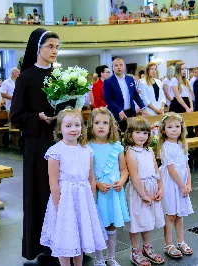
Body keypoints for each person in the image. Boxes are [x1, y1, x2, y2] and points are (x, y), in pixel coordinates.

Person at [10, 28, 59, 262]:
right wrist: (38, 117)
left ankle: (63, 241)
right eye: (50, 46)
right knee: (41, 193)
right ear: (38, 48)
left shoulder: (60, 76)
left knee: (61, 193)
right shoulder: (26, 77)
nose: (54, 51)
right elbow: (16, 116)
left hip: (60, 141)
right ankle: (41, 246)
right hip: (37, 143)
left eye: (57, 47)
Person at [40, 108, 107, 266]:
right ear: (59, 129)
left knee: (80, 237)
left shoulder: (87, 150)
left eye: (77, 125)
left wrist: (92, 200)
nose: (73, 129)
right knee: (66, 237)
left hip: (83, 199)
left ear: (82, 128)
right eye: (68, 126)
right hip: (65, 201)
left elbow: (91, 178)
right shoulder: (55, 152)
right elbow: (53, 182)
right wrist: (58, 205)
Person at [87, 108, 129, 266]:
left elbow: (124, 169)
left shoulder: (117, 146)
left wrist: (122, 181)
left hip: (113, 192)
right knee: (98, 224)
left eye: (105, 123)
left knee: (111, 224)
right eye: (97, 123)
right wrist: (97, 184)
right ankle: (98, 259)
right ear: (91, 125)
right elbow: (87, 173)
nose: (101, 126)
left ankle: (111, 257)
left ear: (111, 126)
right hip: (98, 192)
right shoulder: (88, 147)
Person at [124, 117, 165, 266]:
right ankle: (135, 251)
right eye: (138, 132)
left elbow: (156, 170)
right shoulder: (130, 151)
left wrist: (160, 187)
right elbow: (134, 176)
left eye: (145, 133)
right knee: (137, 221)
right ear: (130, 134)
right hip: (138, 190)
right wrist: (143, 195)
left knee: (147, 221)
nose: (142, 136)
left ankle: (147, 248)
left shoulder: (149, 151)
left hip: (151, 187)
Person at [158, 112, 194, 259]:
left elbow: (186, 166)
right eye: (170, 127)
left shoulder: (181, 145)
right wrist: (181, 185)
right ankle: (168, 244)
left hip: (182, 184)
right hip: (171, 183)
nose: (174, 129)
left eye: (177, 126)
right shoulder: (166, 147)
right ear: (163, 130)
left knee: (180, 215)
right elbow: (171, 169)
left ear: (182, 128)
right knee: (170, 214)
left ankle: (181, 241)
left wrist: (188, 183)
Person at [103, 58, 149, 133]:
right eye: (116, 65)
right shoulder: (108, 81)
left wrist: (143, 107)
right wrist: (119, 111)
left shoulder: (130, 79)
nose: (119, 67)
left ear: (124, 67)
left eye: (121, 65)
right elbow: (108, 99)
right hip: (116, 113)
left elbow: (135, 95)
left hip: (130, 112)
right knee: (118, 135)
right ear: (113, 68)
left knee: (131, 134)